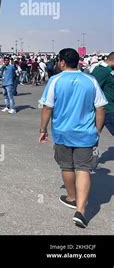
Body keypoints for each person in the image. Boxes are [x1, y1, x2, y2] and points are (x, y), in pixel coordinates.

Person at [39, 48, 107, 228]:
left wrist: (43, 129)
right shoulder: (90, 80)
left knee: (67, 166)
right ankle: (81, 210)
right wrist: (97, 130)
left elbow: (47, 107)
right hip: (86, 134)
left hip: (62, 132)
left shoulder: (55, 80)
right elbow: (100, 108)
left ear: (62, 62)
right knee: (83, 169)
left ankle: (71, 197)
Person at [91, 52, 114, 136]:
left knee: (94, 134)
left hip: (110, 108)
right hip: (108, 109)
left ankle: (92, 147)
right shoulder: (102, 70)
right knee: (93, 134)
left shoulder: (109, 69)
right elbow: (92, 88)